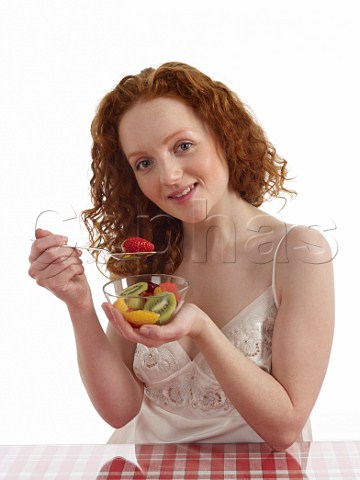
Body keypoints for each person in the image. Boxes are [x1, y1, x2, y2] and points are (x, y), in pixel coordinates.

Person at [28, 62, 335, 451]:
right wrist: (80, 305)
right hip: (148, 468)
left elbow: (284, 428)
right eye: (145, 163)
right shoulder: (151, 256)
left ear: (225, 136)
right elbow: (120, 411)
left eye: (183, 146)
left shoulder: (298, 254)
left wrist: (201, 328)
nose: (169, 176)